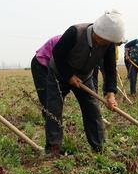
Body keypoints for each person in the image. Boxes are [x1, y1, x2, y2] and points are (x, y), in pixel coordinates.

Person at [45, 10, 124, 155]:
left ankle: (99, 147)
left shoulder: (108, 44)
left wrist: (110, 93)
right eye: (103, 40)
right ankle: (53, 148)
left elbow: (110, 68)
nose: (104, 44)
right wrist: (69, 75)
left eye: (108, 42)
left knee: (92, 109)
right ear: (97, 32)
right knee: (54, 109)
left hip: (84, 77)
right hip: (59, 73)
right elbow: (58, 54)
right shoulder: (75, 32)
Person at [31, 34, 62, 116]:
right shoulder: (63, 41)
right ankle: (49, 117)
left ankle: (54, 115)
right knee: (45, 93)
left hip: (51, 65)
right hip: (39, 64)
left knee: (55, 92)